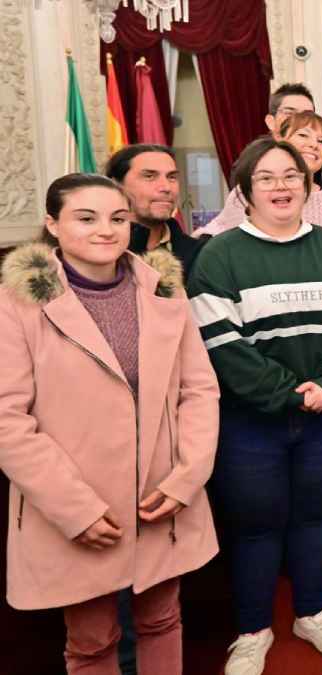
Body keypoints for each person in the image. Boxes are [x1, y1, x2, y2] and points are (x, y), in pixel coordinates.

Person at [0, 174, 220, 673]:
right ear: (52, 225)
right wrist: (75, 510)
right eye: (86, 217)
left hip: (160, 496)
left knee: (163, 619)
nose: (106, 230)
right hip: (78, 504)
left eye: (118, 218)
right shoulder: (17, 303)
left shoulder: (163, 289)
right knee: (93, 640)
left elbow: (199, 390)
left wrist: (187, 478)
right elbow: (7, 420)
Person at [188, 138, 322, 674]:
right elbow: (222, 342)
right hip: (253, 424)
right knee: (256, 524)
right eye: (266, 178)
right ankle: (252, 630)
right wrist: (290, 395)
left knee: (315, 517)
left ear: (307, 184)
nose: (281, 187)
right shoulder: (219, 255)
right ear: (244, 191)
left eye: (290, 176)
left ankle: (311, 612)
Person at [195, 111, 322, 236]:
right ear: (280, 139)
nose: (313, 145)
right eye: (303, 135)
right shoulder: (249, 190)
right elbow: (219, 232)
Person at [106, 144, 208, 279]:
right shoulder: (99, 250)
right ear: (116, 186)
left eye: (171, 177)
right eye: (149, 176)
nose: (166, 187)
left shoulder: (201, 254)